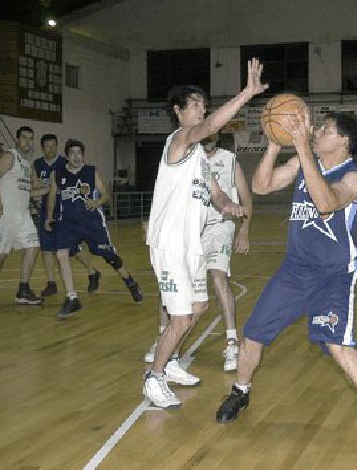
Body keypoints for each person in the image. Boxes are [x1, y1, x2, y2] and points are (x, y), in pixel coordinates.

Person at [213, 111, 357, 452]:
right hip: (294, 270)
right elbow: (260, 186)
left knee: (338, 346)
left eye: (326, 129)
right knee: (252, 336)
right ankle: (240, 392)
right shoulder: (301, 163)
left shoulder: (355, 177)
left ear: (343, 141)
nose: (318, 131)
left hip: (333, 276)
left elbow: (326, 204)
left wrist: (301, 150)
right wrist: (272, 145)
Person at [141, 59, 259, 409]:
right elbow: (208, 126)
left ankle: (172, 360)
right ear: (178, 111)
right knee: (180, 317)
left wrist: (231, 208)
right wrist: (247, 94)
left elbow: (218, 194)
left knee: (199, 305)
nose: (200, 109)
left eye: (202, 104)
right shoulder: (178, 141)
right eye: (193, 104)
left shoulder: (200, 160)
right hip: (170, 244)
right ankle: (154, 378)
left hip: (190, 244)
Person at [143, 132, 252, 372]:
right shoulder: (184, 157)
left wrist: (243, 227)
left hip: (219, 228)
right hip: (189, 233)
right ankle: (166, 341)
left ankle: (231, 341)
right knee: (174, 288)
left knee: (217, 277)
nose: (209, 138)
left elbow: (239, 196)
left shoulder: (229, 159)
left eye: (213, 135)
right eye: (206, 135)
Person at [43, 139, 144, 319]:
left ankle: (130, 282)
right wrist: (49, 216)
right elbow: (52, 195)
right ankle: (72, 297)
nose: (76, 156)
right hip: (67, 223)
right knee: (61, 253)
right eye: (72, 153)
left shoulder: (91, 171)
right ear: (67, 156)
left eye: (79, 153)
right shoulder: (58, 173)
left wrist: (96, 202)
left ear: (83, 155)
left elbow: (106, 194)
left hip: (92, 223)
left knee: (109, 257)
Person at [0, 127, 48, 309]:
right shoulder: (9, 156)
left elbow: (30, 191)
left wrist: (49, 189)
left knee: (33, 247)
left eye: (31, 138)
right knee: (0, 254)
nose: (28, 141)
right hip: (4, 213)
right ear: (17, 140)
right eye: (24, 138)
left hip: (23, 215)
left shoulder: (27, 164)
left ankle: (23, 290)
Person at [33, 133, 101, 299]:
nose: (51, 148)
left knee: (73, 248)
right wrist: (35, 190)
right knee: (46, 248)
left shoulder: (66, 162)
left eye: (54, 145)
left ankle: (92, 272)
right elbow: (35, 184)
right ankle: (51, 283)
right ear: (42, 148)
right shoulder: (37, 164)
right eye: (47, 146)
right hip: (48, 210)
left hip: (66, 210)